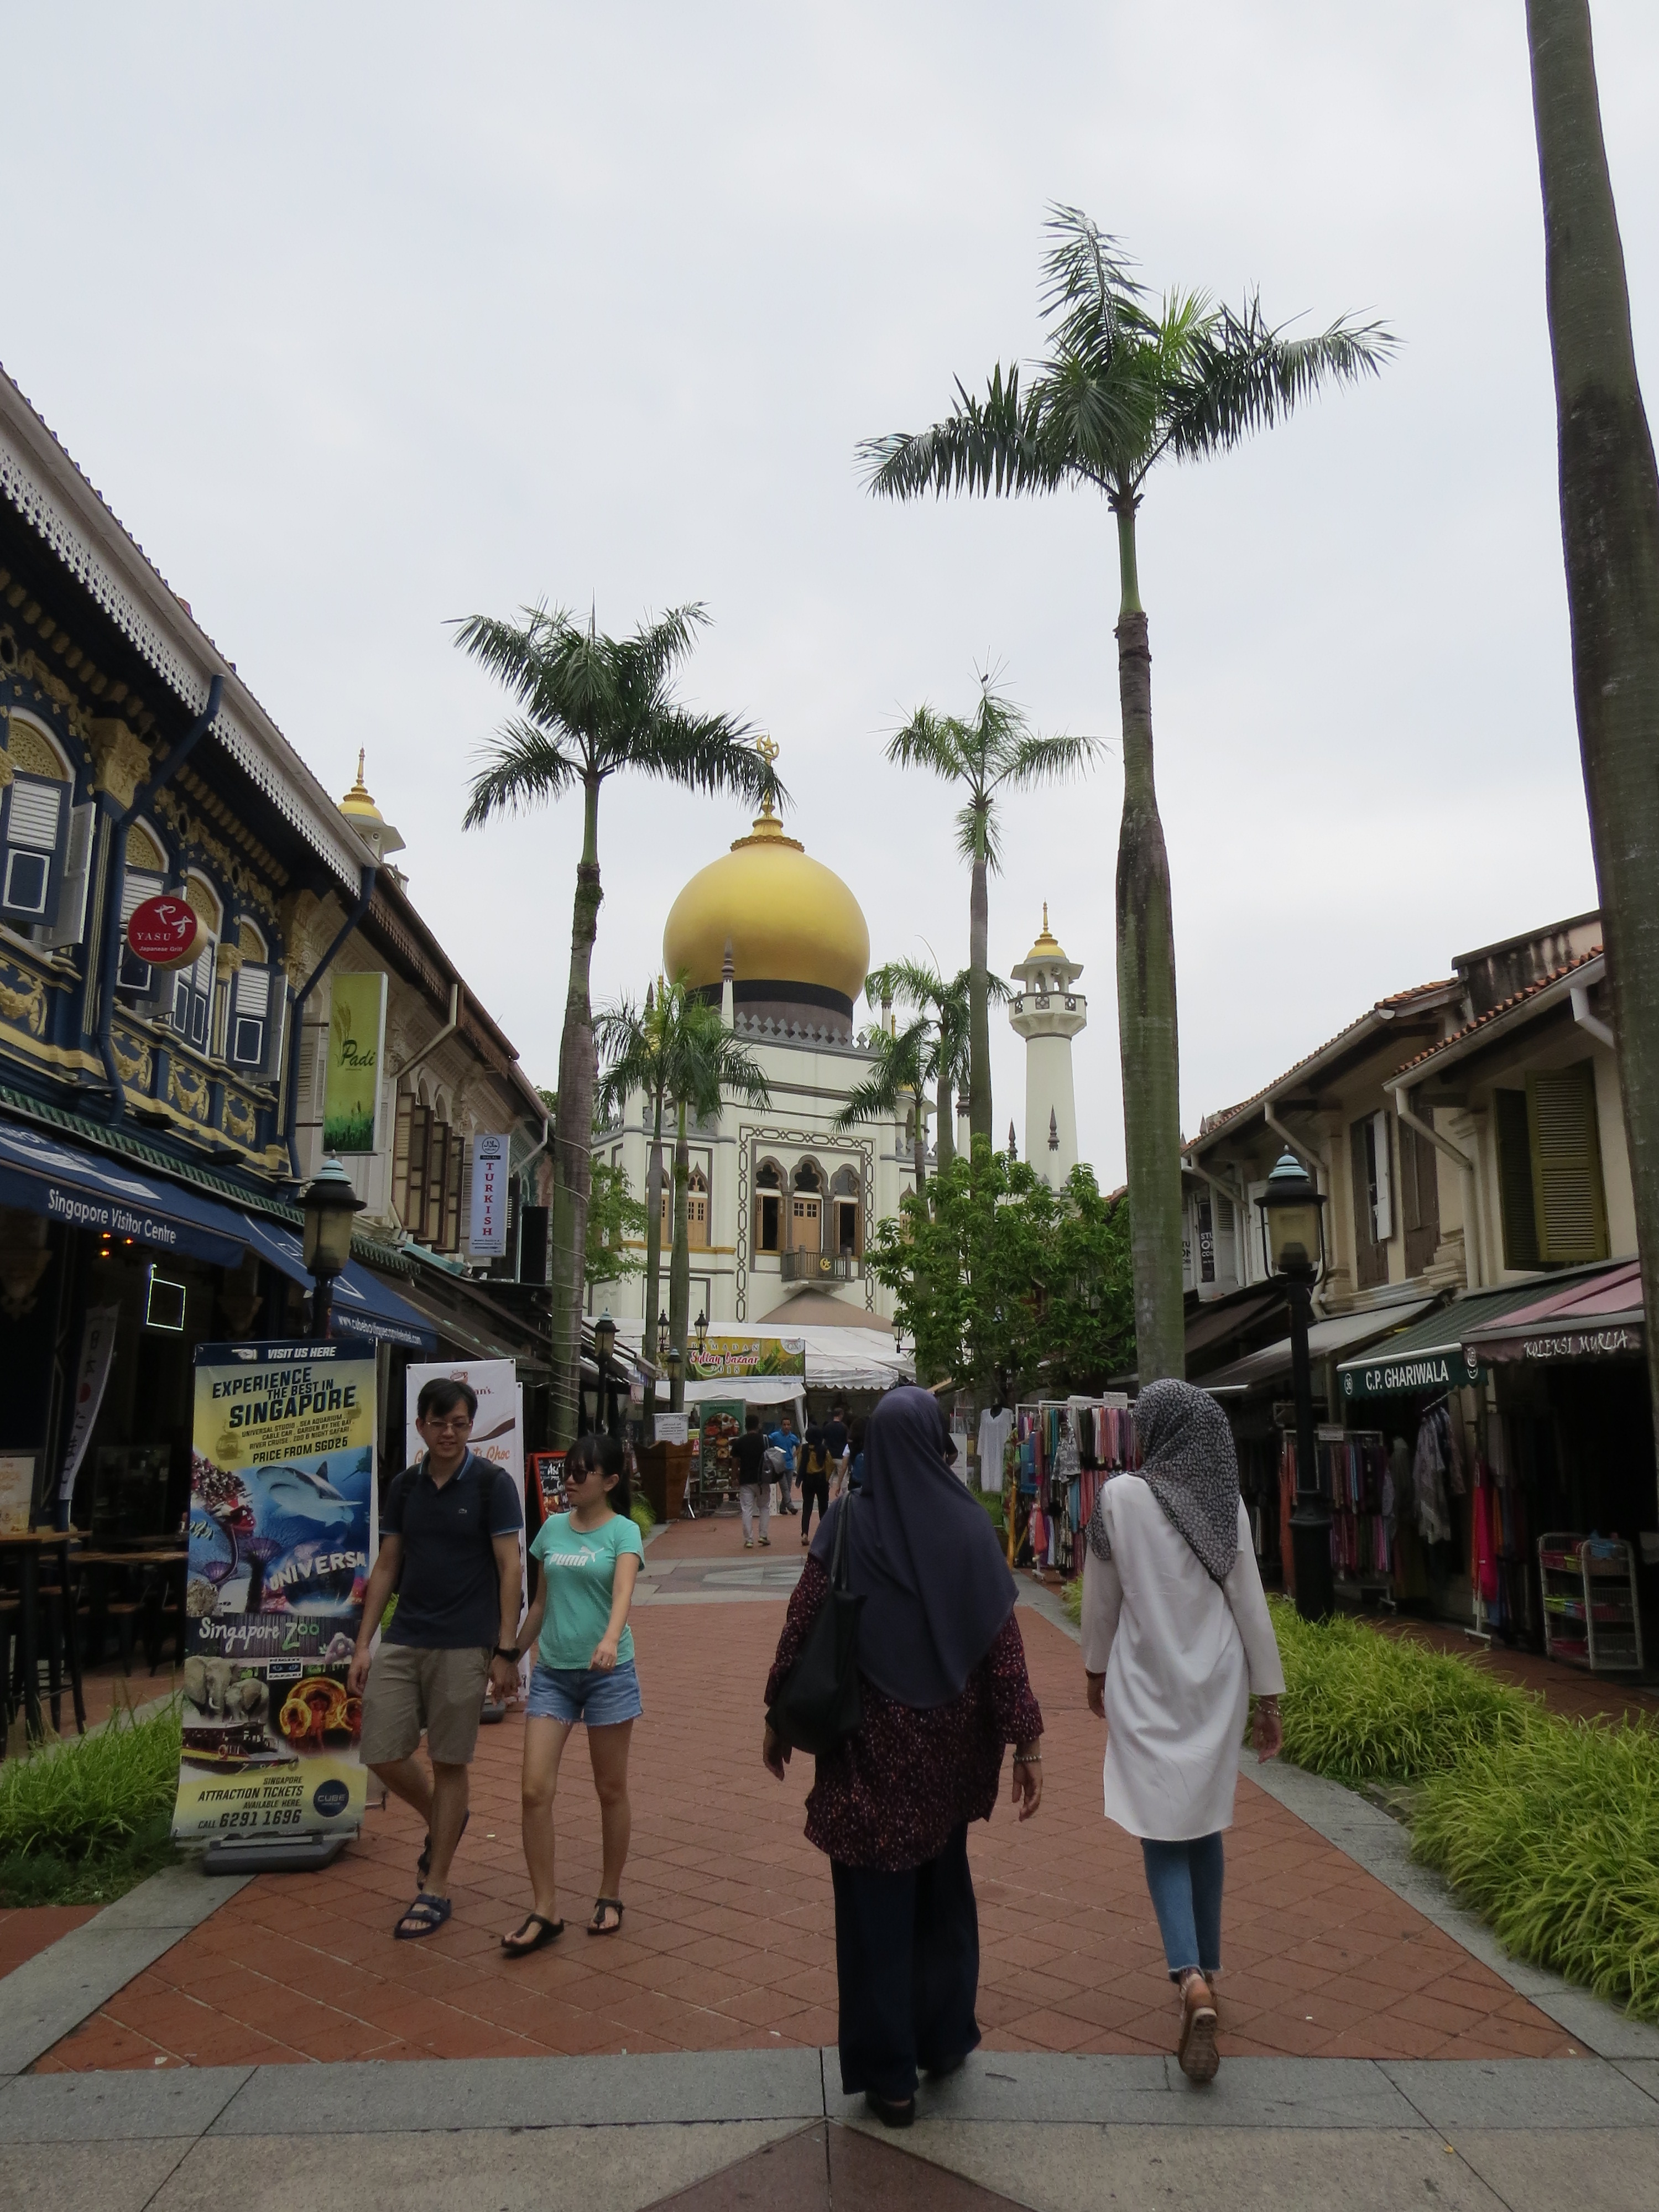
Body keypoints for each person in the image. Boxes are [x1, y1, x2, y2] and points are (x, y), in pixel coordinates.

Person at [763, 1386, 1044, 2127]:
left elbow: (804, 1623)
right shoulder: (966, 1526)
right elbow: (1001, 1644)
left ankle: (891, 2077)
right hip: (947, 1755)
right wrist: (1028, 1740)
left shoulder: (850, 1522)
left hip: (867, 1752)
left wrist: (777, 1716)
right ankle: (945, 2038)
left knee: (874, 1913)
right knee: (943, 1894)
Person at [1081, 1378, 1285, 2085]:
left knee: (1158, 1826)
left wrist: (1095, 1670)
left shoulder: (1119, 1498)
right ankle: (1211, 1968)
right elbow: (1250, 1602)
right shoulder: (1225, 1503)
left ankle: (1191, 1978)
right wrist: (1270, 1696)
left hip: (1146, 1684)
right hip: (1217, 1683)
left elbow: (1102, 1601)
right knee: (1203, 1820)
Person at [351, 1378, 524, 1940]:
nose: (449, 1433)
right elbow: (386, 1565)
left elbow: (510, 1569)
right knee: (379, 1746)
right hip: (407, 1633)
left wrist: (505, 1650)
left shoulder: (493, 1485)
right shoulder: (404, 1487)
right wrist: (363, 1642)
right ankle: (445, 1820)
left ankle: (436, 1886)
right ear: (420, 1425)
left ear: (470, 1427)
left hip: (465, 1640)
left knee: (451, 1761)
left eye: (459, 1423)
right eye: (438, 1422)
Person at [499, 1432, 644, 1950]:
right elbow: (538, 1605)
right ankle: (545, 1908)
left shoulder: (624, 1532)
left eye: (583, 1473)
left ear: (609, 1481)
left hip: (608, 1674)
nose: (571, 1481)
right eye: (567, 1471)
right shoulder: (552, 1530)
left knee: (611, 1789)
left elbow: (624, 1591)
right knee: (534, 1789)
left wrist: (609, 1639)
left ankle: (609, 1892)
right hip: (554, 1676)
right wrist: (510, 1655)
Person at [733, 1412, 771, 1549]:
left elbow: (735, 1462)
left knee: (747, 1509)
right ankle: (763, 1535)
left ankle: (749, 1540)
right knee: (764, 1507)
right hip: (763, 1479)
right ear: (758, 1425)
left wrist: (734, 1477)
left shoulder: (740, 1442)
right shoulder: (766, 1440)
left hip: (746, 1480)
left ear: (746, 1425)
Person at [798, 1421, 832, 1545]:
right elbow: (830, 1464)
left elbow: (799, 1462)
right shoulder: (823, 1449)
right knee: (823, 1507)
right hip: (821, 1479)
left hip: (807, 1480)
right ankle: (825, 1535)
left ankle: (805, 1534)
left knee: (807, 1507)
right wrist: (827, 1478)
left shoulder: (804, 1448)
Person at [766, 1410, 800, 1514]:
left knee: (788, 1488)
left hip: (789, 1465)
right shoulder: (775, 1436)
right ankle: (790, 1506)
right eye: (784, 1425)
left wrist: (794, 1455)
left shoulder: (792, 1437)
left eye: (788, 1425)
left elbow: (799, 1446)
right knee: (784, 1487)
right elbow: (768, 1441)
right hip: (779, 1465)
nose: (786, 1427)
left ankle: (782, 1507)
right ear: (781, 1425)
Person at [823, 1403, 851, 1498]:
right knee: (843, 1479)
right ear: (841, 1415)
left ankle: (824, 1498)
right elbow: (848, 1441)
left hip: (829, 1456)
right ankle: (845, 1498)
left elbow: (824, 1441)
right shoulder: (844, 1427)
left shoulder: (827, 1427)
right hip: (841, 1456)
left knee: (827, 1479)